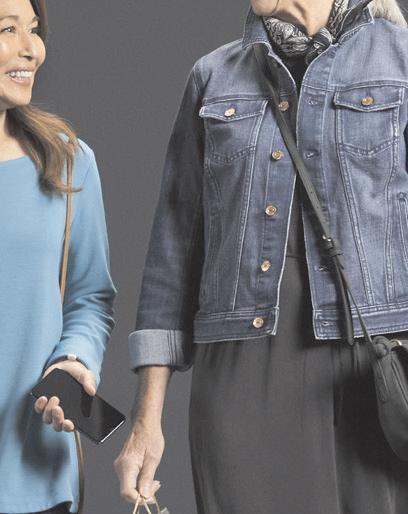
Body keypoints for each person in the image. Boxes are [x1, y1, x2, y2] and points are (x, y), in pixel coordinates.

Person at [114, 0, 408, 513]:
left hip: (377, 373)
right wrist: (146, 420)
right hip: (241, 372)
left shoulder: (400, 62)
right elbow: (172, 252)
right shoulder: (213, 76)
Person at [0, 1, 117, 513]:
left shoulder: (66, 161)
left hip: (34, 477)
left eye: (34, 29)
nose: (32, 49)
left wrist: (73, 361)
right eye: (8, 29)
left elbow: (90, 298)